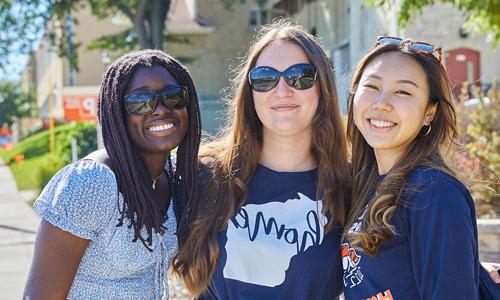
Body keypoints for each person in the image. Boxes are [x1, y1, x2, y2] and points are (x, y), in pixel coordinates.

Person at [173, 19, 350, 299]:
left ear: (323, 87)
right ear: (250, 92)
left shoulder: (350, 188)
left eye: (300, 76)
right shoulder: (205, 176)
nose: (282, 90)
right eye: (265, 78)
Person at [23, 49, 201, 299]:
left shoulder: (174, 177)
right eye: (140, 102)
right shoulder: (91, 181)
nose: (160, 109)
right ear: (116, 113)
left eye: (173, 96)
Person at [342, 36, 480, 299]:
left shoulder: (434, 193)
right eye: (371, 86)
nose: (381, 103)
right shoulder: (363, 187)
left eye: (403, 92)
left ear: (430, 112)